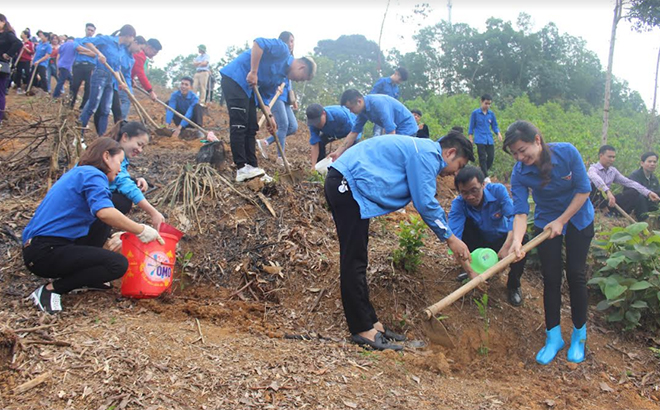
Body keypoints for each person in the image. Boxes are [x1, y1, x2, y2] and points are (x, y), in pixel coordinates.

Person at [325, 131, 475, 350]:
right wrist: (451, 238)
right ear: (450, 152)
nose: (455, 173)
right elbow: (424, 202)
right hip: (347, 185)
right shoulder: (427, 154)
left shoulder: (421, 150)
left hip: (351, 186)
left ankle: (372, 324)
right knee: (353, 260)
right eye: (459, 165)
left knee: (358, 258)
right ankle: (362, 330)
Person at [22, 137, 164, 314]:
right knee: (117, 264)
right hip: (44, 252)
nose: (120, 169)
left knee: (108, 212)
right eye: (119, 162)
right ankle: (50, 290)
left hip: (42, 247)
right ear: (106, 156)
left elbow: (104, 214)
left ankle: (87, 279)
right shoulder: (93, 174)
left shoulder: (80, 173)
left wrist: (121, 235)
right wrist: (140, 230)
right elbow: (104, 212)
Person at [504, 120, 594, 365]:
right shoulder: (520, 173)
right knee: (551, 277)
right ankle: (553, 336)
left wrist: (562, 220)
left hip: (578, 217)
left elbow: (584, 190)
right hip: (546, 222)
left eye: (523, 150)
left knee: (575, 273)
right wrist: (518, 242)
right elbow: (521, 212)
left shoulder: (566, 152)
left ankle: (579, 335)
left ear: (537, 140)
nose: (521, 157)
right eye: (515, 154)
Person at [219, 36, 316, 182]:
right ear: (302, 67)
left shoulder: (281, 78)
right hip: (236, 78)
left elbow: (265, 96)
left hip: (248, 90)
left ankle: (252, 166)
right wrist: (253, 71)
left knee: (251, 127)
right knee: (240, 124)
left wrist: (270, 116)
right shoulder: (282, 50)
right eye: (301, 78)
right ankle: (241, 167)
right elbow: (258, 43)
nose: (297, 81)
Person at [448, 166, 527, 306]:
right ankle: (475, 269)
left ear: (483, 184)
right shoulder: (459, 204)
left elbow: (513, 218)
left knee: (522, 238)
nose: (470, 196)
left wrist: (507, 246)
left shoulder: (498, 191)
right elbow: (454, 239)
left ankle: (514, 285)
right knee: (461, 233)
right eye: (464, 192)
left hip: (501, 239)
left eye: (474, 190)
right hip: (478, 241)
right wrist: (470, 270)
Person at [84, 121, 164, 247]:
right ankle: (93, 241)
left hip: (91, 202)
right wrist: (153, 213)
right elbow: (123, 184)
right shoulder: (111, 154)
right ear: (125, 137)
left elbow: (120, 179)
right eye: (139, 144)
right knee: (122, 201)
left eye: (143, 147)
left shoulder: (112, 152)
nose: (140, 150)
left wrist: (135, 179)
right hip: (88, 206)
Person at [79, 24, 136, 136]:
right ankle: (79, 132)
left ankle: (102, 137)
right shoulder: (107, 40)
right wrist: (99, 54)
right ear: (129, 36)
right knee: (92, 105)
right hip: (100, 74)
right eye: (133, 37)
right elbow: (86, 41)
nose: (132, 40)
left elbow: (116, 69)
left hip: (111, 79)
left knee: (105, 110)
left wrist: (122, 83)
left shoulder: (122, 49)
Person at [329, 89, 417, 161]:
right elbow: (353, 133)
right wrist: (338, 152)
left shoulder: (378, 104)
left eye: (351, 108)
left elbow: (391, 132)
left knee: (393, 158)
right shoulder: (363, 111)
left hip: (406, 128)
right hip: (395, 131)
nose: (351, 112)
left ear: (359, 101)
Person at [256, 32, 299, 166]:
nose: (293, 44)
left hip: (285, 96)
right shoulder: (278, 55)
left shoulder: (290, 59)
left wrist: (293, 99)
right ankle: (281, 157)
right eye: (291, 41)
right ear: (284, 42)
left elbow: (289, 81)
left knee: (293, 126)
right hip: (275, 94)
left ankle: (265, 142)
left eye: (293, 41)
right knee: (284, 125)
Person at [588, 145, 660, 218]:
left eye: (613, 157)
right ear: (601, 155)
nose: (612, 159)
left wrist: (648, 193)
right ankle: (600, 210)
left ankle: (614, 213)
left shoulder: (612, 171)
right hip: (594, 199)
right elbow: (597, 179)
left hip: (608, 200)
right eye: (609, 157)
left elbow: (629, 182)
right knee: (594, 186)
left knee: (633, 192)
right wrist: (607, 191)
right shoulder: (593, 169)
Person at [305, 103, 360, 170]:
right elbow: (314, 143)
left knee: (351, 150)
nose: (316, 125)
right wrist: (313, 165)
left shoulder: (340, 115)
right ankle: (320, 168)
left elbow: (353, 134)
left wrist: (338, 152)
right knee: (320, 142)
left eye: (318, 121)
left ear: (324, 113)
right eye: (314, 123)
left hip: (349, 131)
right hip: (331, 132)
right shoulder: (313, 124)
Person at [468, 94, 502, 179]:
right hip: (479, 139)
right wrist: (470, 138)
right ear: (481, 101)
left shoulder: (491, 114)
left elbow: (494, 126)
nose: (487, 106)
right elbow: (471, 126)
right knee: (482, 157)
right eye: (486, 103)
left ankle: (482, 172)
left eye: (489, 104)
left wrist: (498, 133)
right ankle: (486, 177)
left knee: (491, 157)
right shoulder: (475, 113)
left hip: (489, 139)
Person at [369, 67, 408, 136]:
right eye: (400, 79)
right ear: (396, 73)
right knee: (377, 135)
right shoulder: (382, 82)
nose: (400, 82)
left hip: (389, 117)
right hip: (379, 115)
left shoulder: (396, 89)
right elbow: (371, 96)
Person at [624, 152, 660, 219]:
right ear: (642, 163)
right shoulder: (635, 176)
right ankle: (644, 220)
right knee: (640, 196)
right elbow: (635, 192)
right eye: (649, 161)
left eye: (654, 162)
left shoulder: (654, 179)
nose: (652, 164)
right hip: (634, 204)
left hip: (649, 203)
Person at [0, 14, 21, 126]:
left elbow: (18, 43)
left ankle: (0, 118)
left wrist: (8, 54)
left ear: (3, 22)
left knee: (0, 92)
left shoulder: (8, 34)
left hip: (1, 65)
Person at [70, 23, 97, 109]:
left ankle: (83, 108)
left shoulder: (96, 42)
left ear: (94, 32)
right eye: (88, 29)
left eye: (92, 30)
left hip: (90, 67)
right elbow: (77, 48)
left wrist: (84, 51)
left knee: (88, 88)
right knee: (74, 86)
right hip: (79, 66)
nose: (90, 32)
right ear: (85, 29)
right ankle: (70, 105)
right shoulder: (78, 40)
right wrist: (89, 51)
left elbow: (95, 54)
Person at [13, 28, 34, 94]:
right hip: (20, 60)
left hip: (26, 60)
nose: (21, 34)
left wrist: (26, 48)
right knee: (18, 73)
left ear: (26, 35)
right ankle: (18, 87)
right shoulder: (20, 43)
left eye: (22, 33)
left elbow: (32, 52)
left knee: (27, 73)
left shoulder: (30, 43)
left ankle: (27, 87)